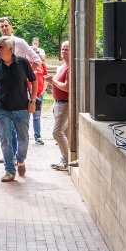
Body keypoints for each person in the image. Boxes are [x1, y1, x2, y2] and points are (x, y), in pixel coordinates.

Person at [0, 35, 36, 182]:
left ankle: (20, 160)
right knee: (5, 140)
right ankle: (9, 171)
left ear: (10, 49)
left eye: (0, 47)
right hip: (2, 109)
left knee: (24, 139)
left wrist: (32, 100)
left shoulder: (23, 63)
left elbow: (34, 81)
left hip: (22, 108)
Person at [49, 41, 72, 171]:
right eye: (62, 49)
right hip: (58, 102)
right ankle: (68, 159)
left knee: (57, 132)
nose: (63, 51)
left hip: (65, 103)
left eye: (66, 50)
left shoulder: (70, 68)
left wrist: (52, 81)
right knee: (66, 132)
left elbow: (67, 87)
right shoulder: (63, 66)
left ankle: (67, 160)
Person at [30, 40, 48, 145]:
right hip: (27, 94)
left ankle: (38, 136)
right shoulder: (26, 64)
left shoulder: (42, 65)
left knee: (37, 116)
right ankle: (24, 137)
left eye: (37, 53)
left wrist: (44, 90)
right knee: (25, 116)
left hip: (39, 94)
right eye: (33, 53)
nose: (36, 55)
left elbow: (45, 78)